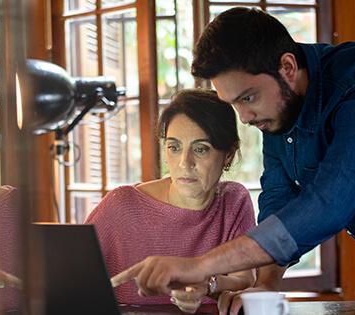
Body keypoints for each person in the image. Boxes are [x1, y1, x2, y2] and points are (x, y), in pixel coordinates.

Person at [111, 7, 355, 315]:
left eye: (248, 98)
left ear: (287, 67)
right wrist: (268, 280)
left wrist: (200, 266)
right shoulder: (278, 111)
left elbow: (329, 205)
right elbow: (280, 195)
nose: (244, 117)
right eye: (233, 104)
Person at [85, 89, 256, 313]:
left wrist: (208, 285)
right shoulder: (121, 205)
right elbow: (71, 279)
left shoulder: (234, 200)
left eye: (200, 149)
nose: (185, 163)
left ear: (229, 155)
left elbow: (245, 278)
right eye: (174, 148)